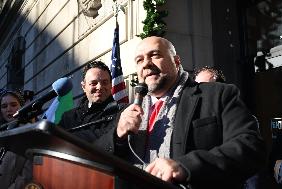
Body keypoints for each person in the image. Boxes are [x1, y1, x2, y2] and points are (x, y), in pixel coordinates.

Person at [97, 36, 267, 189]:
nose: (146, 63)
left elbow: (250, 147)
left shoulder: (217, 95)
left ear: (177, 61)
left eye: (155, 55)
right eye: (139, 60)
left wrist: (185, 166)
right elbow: (95, 156)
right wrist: (117, 136)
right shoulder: (127, 112)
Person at [59, 60, 122, 143]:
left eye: (105, 82)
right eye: (93, 83)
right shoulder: (68, 117)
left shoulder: (120, 113)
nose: (99, 87)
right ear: (83, 86)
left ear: (111, 85)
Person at [0, 90, 33, 189]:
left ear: (21, 107)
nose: (9, 109)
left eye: (13, 105)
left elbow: (27, 174)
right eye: (4, 106)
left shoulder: (30, 132)